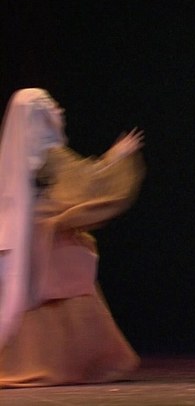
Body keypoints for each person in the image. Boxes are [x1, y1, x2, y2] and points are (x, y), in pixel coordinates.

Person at [0, 88, 145, 388]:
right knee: (65, 293)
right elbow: (85, 181)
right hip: (51, 237)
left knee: (33, 297)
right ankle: (69, 363)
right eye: (52, 106)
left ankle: (30, 361)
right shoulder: (47, 151)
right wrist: (117, 156)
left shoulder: (17, 156)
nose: (59, 111)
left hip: (29, 235)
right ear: (40, 115)